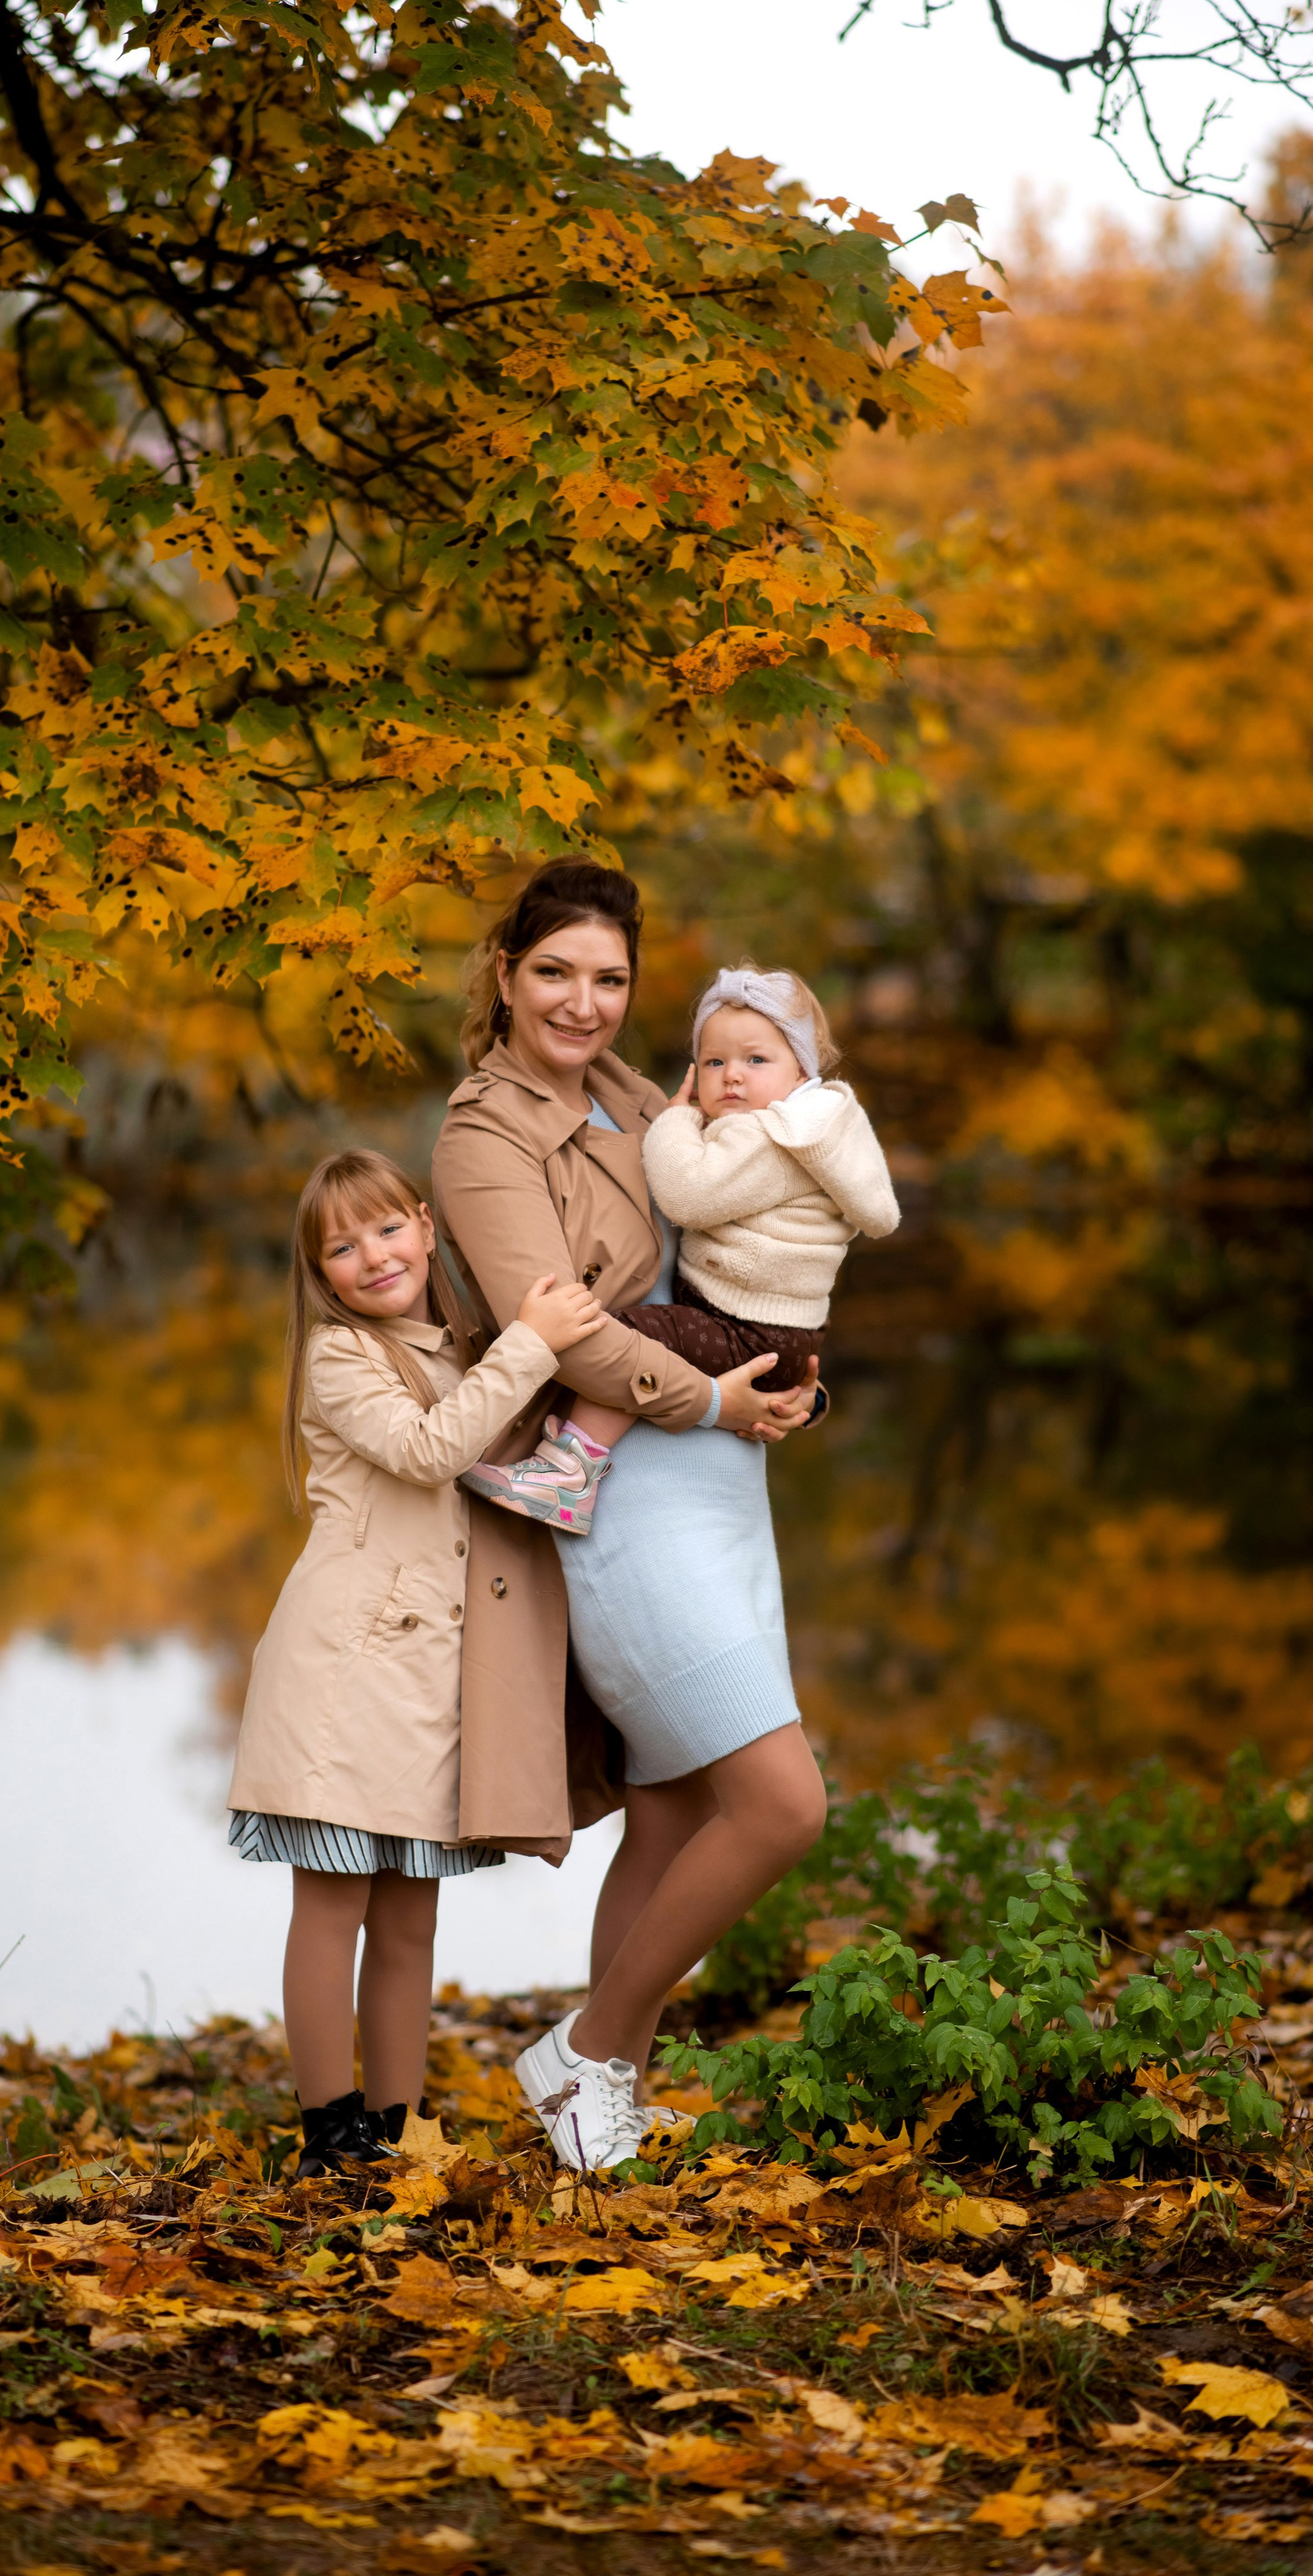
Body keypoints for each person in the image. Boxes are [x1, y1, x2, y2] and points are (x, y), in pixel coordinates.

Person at [429, 861, 827, 2176]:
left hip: (719, 1484)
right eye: (554, 972)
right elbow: (559, 1329)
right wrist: (709, 1397)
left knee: (668, 1819)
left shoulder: (642, 1100)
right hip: (616, 1495)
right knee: (781, 1805)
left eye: (608, 978)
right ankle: (588, 2048)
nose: (581, 1002)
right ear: (505, 973)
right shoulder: (482, 1139)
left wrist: (786, 1378)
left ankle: (602, 2127)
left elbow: (738, 1252)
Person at [226, 1147, 605, 2178]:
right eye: (342, 1247)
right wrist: (531, 1342)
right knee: (332, 1907)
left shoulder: (465, 1347)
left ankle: (393, 2130)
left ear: (429, 1227)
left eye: (389, 1227)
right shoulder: (342, 1357)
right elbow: (431, 1448)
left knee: (409, 1918)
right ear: (320, 1272)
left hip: (431, 1681)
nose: (374, 1255)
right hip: (344, 1674)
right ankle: (328, 2131)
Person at [461, 962, 899, 1534]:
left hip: (745, 1331)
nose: (732, 1076)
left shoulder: (770, 1136)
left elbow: (688, 1195)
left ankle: (571, 1472)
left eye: (756, 1060)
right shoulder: (816, 1132)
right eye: (714, 1062)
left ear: (801, 1071)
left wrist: (676, 1121)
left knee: (635, 1336)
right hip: (776, 1334)